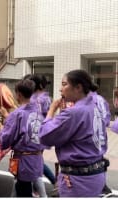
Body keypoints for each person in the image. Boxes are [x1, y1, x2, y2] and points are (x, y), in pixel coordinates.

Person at [39, 69, 109, 197]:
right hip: (96, 174)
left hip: (78, 181)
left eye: (64, 84)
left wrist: (51, 111)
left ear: (78, 87)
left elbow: (45, 136)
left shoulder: (73, 112)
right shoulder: (94, 107)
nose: (61, 89)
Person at [0, 79, 45, 197]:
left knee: (23, 191)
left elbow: (5, 141)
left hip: (23, 161)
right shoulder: (40, 112)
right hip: (37, 159)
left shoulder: (17, 114)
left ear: (18, 94)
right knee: (23, 190)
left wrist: (4, 126)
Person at [23, 74, 56, 197]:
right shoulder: (46, 98)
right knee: (37, 160)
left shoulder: (35, 99)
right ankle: (37, 189)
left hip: (34, 134)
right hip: (42, 132)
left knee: (36, 162)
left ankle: (52, 183)